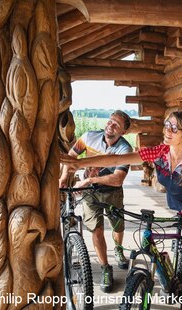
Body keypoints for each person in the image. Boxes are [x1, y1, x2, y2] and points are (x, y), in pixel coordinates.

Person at [61, 109, 182, 310]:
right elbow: (117, 160)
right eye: (167, 124)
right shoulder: (161, 153)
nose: (167, 130)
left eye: (174, 127)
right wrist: (80, 163)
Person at [59, 110, 133, 293]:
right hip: (90, 193)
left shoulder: (125, 149)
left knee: (118, 226)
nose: (111, 125)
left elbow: (117, 179)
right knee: (96, 230)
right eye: (110, 121)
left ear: (123, 132)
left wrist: (89, 180)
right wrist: (63, 177)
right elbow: (71, 157)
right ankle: (106, 268)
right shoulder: (89, 137)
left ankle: (118, 248)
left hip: (112, 192)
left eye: (117, 124)